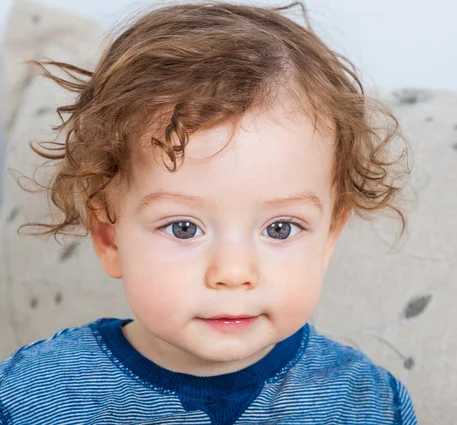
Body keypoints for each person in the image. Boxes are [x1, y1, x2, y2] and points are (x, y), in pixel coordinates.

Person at [0, 2, 416, 424]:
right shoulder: (36, 394)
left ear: (328, 238)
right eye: (183, 228)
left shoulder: (366, 403)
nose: (233, 273)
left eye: (280, 228)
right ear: (110, 236)